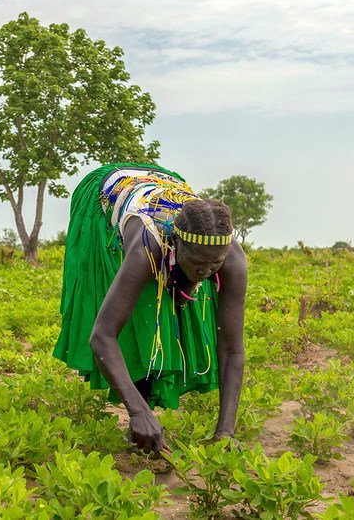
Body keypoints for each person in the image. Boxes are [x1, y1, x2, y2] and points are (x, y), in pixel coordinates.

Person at [54, 162, 247, 453]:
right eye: (197, 263)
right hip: (106, 191)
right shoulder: (148, 246)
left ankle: (147, 400)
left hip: (166, 183)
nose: (206, 272)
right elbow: (102, 336)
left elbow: (232, 349)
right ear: (177, 243)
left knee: (184, 300)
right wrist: (138, 412)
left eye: (214, 264)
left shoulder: (230, 258)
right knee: (133, 303)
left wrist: (226, 431)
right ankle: (141, 404)